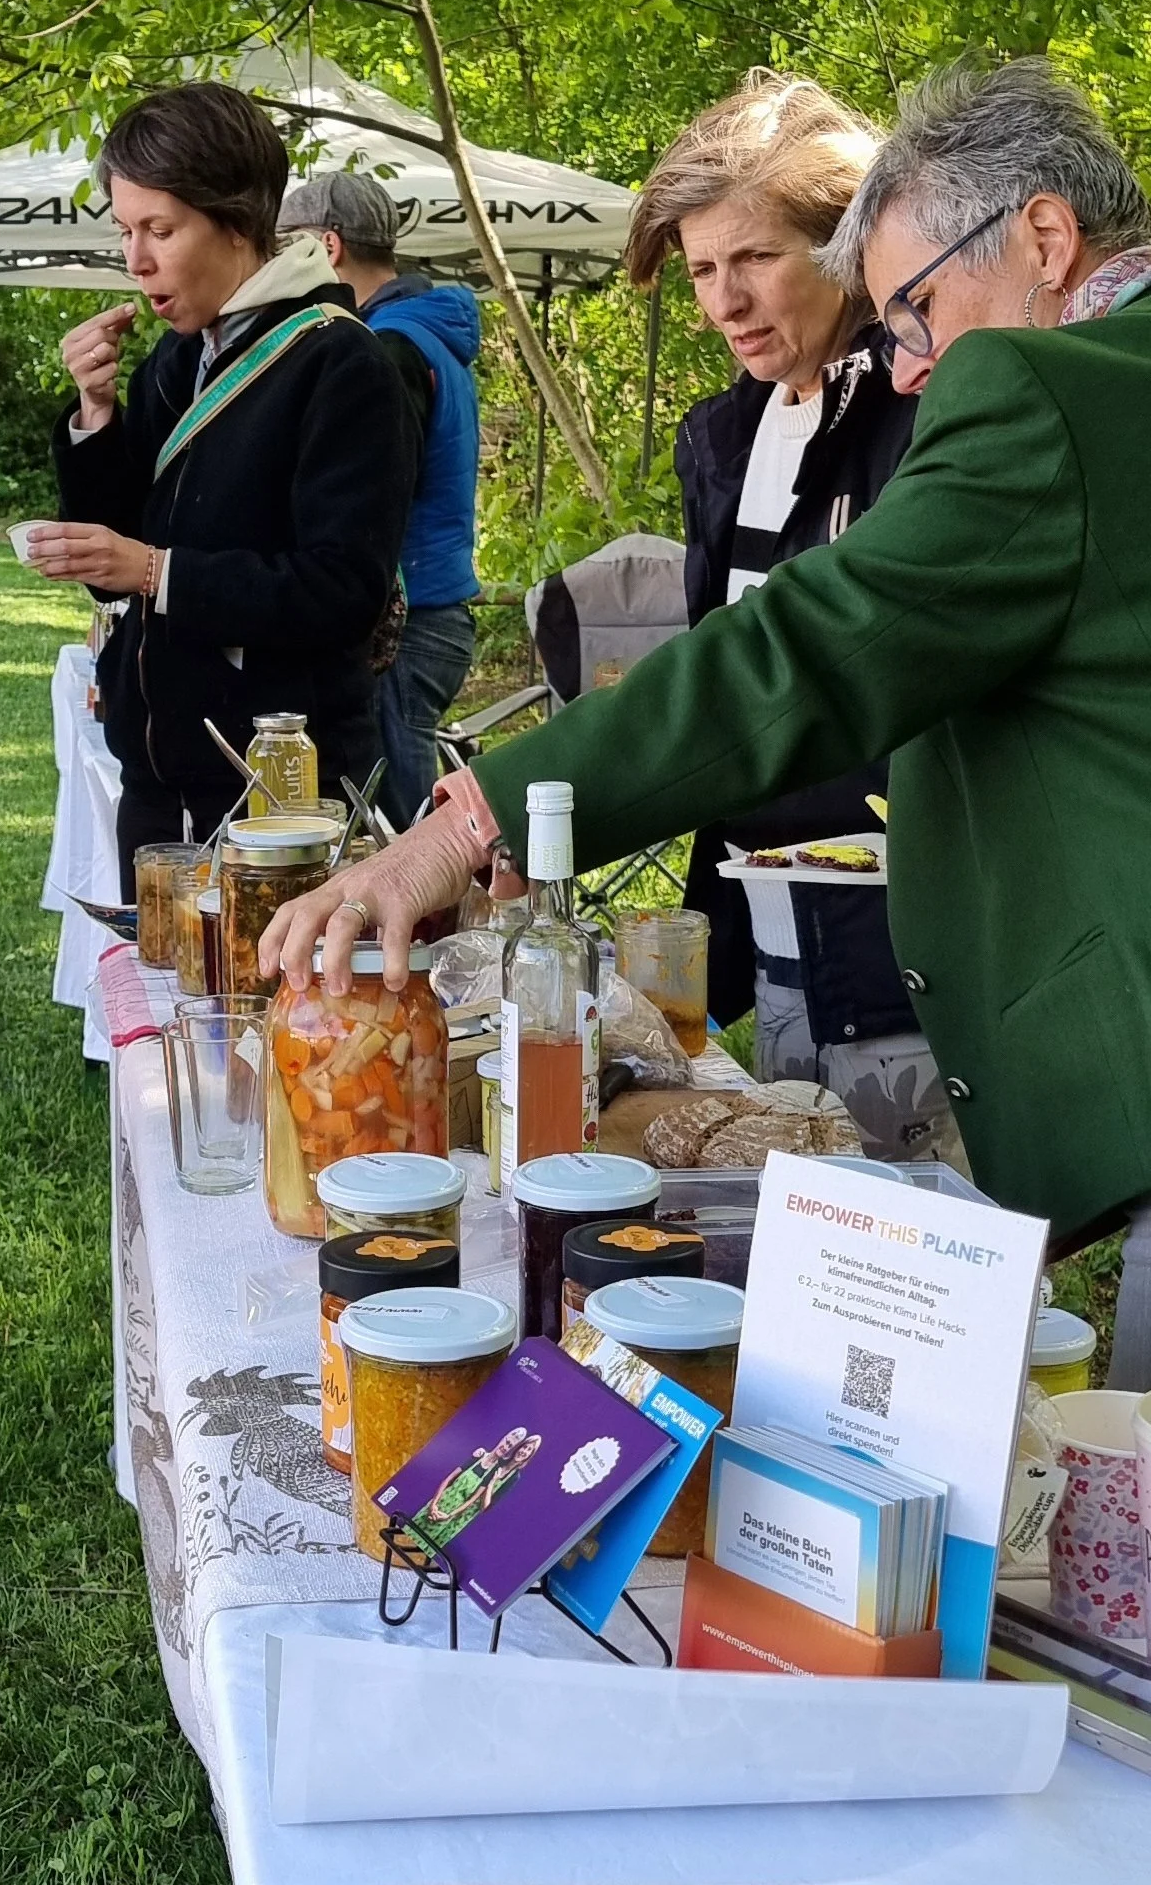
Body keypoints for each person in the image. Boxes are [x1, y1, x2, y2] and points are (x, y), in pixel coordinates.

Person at [263, 61, 1151, 1253]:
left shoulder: (1041, 389)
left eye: (918, 314)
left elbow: (806, 650)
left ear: (1044, 237)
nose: (908, 366)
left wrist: (477, 819)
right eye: (700, 272)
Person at [627, 73, 950, 1159]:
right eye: (705, 269)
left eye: (756, 257)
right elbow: (728, 685)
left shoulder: (927, 414)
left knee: (906, 1258)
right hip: (768, 942)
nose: (727, 301)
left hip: (909, 946)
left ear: (844, 244)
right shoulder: (719, 437)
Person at [30, 81, 411, 872]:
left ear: (236, 218)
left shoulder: (341, 364)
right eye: (126, 231)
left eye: (159, 230)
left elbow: (343, 591)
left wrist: (159, 572)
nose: (136, 261)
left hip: (279, 792)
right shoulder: (176, 359)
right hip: (161, 775)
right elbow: (115, 578)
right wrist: (94, 412)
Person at [275, 165, 482, 823]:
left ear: (326, 247)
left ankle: (435, 928)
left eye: (284, 247)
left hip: (409, 621)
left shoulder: (386, 350)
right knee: (392, 815)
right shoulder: (422, 335)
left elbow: (377, 497)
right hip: (433, 610)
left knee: (395, 829)